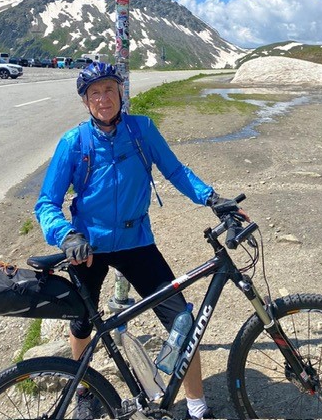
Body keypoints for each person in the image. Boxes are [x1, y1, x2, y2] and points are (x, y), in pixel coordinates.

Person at [35, 63, 233, 420]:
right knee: (82, 323)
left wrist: (211, 198)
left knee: (181, 319)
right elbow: (46, 203)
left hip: (136, 241)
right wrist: (66, 235)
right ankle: (84, 391)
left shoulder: (141, 130)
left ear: (121, 92)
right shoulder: (73, 142)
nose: (103, 98)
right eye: (94, 93)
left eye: (109, 89)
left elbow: (175, 170)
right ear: (85, 101)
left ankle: (197, 407)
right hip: (88, 246)